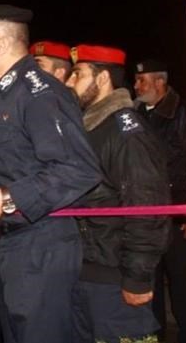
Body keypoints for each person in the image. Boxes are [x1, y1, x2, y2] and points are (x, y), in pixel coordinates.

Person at [0, 4, 101, 343]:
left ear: (0, 45)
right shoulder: (8, 95)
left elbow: (79, 168)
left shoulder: (39, 93)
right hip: (17, 248)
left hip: (42, 248)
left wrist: (4, 198)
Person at [65, 45, 172, 342]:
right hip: (85, 271)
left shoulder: (126, 132)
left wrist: (137, 277)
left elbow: (147, 207)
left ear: (102, 79)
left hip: (114, 279)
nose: (69, 82)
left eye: (78, 74)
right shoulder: (91, 127)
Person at [134, 59, 186, 343]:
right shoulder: (135, 114)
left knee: (181, 283)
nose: (137, 86)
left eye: (142, 80)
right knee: (151, 283)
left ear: (160, 82)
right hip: (145, 215)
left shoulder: (183, 114)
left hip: (175, 214)